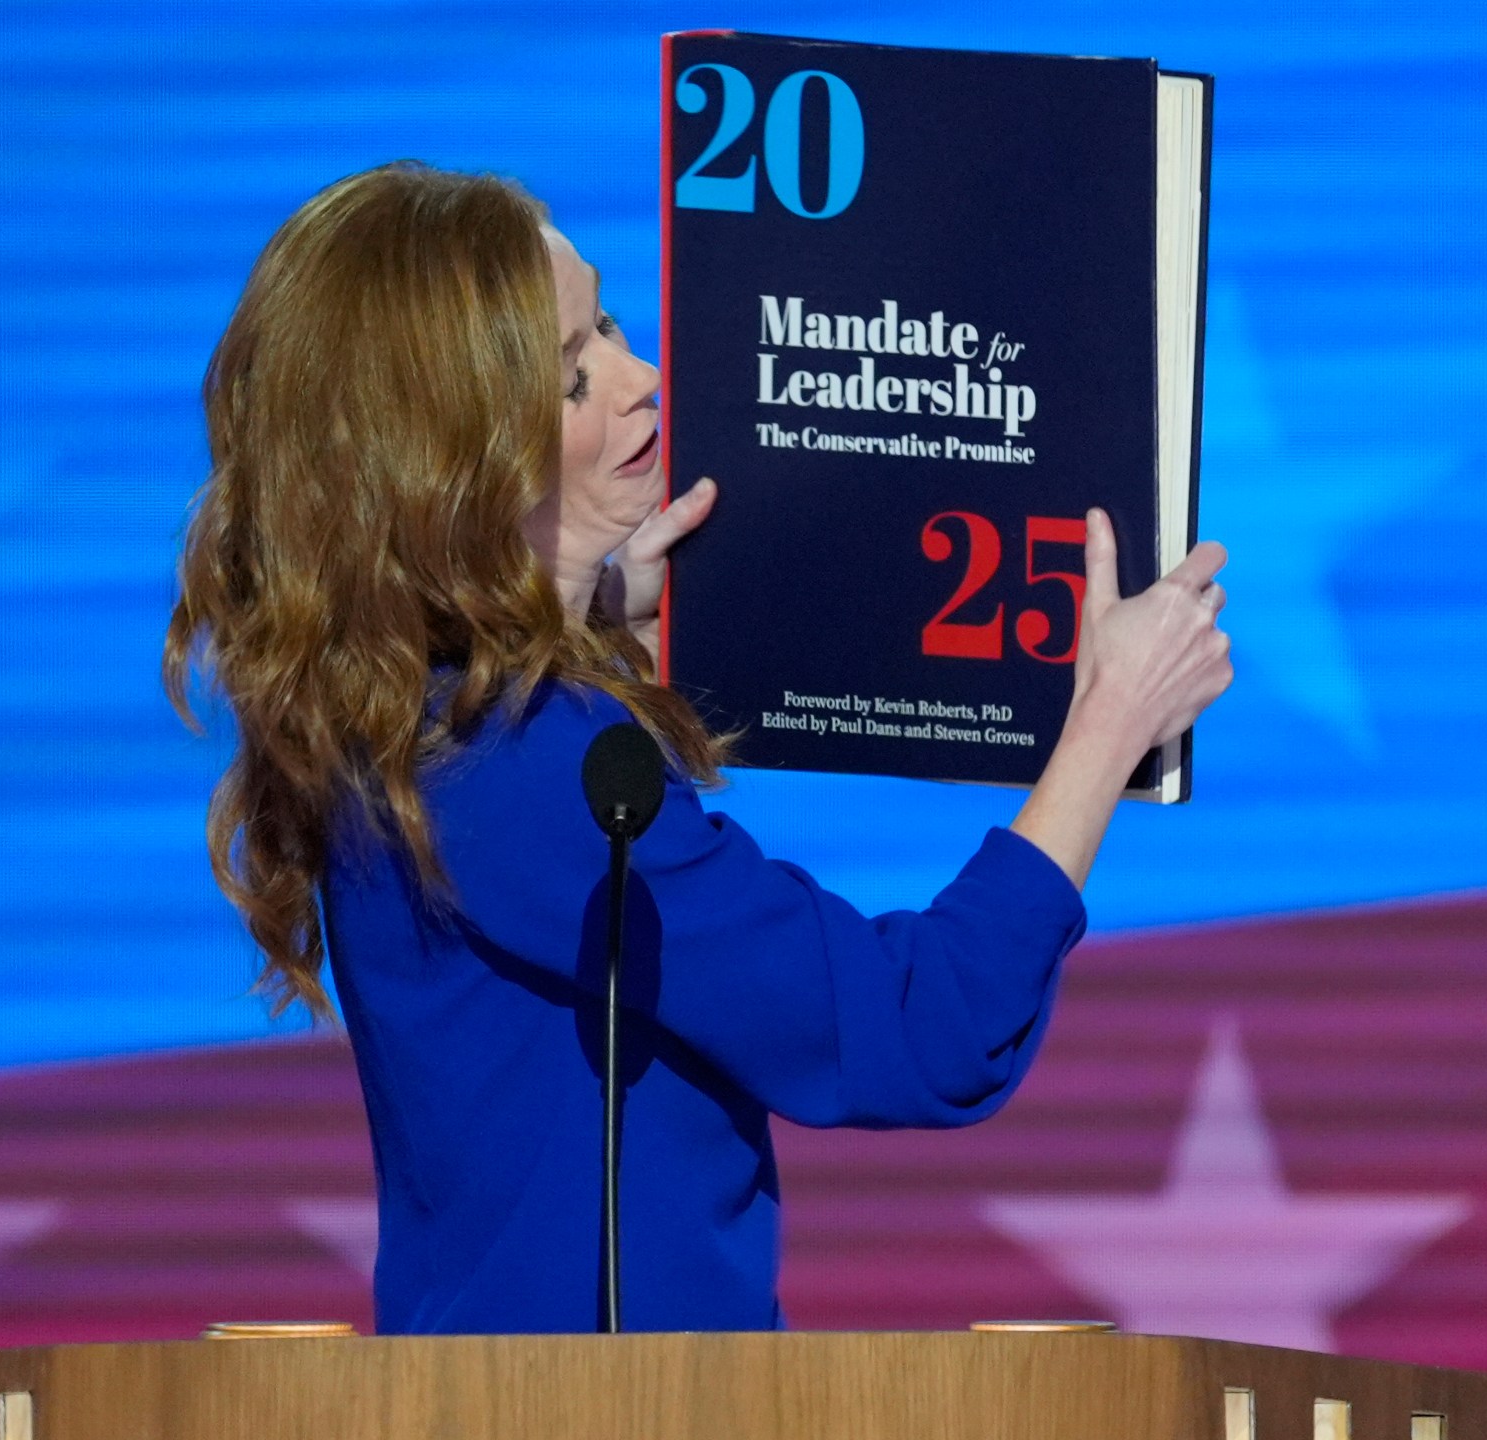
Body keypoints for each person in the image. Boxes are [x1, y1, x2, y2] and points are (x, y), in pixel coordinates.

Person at [165, 161, 1231, 1334]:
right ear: (451, 465)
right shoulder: (521, 764)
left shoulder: (411, 728)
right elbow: (923, 1032)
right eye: (573, 379)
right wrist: (1108, 721)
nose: (643, 382)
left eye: (611, 324)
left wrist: (594, 617)